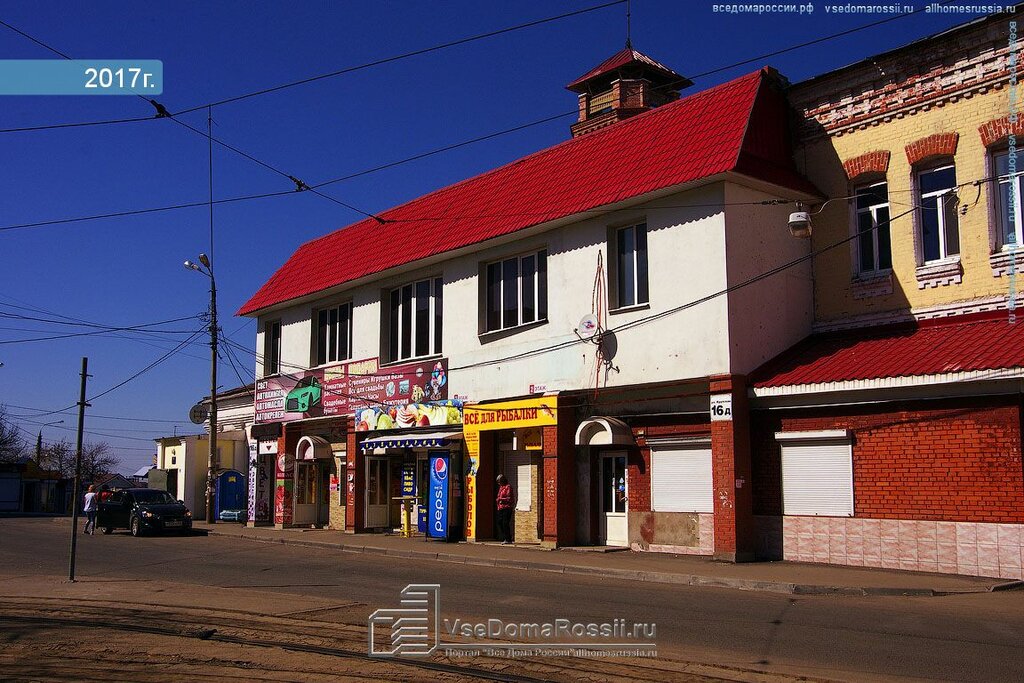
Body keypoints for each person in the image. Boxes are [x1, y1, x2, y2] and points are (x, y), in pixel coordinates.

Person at [495, 474, 514, 545]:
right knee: (500, 522)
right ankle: (505, 537)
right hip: (500, 507)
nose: (499, 483)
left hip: (507, 507)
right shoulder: (501, 487)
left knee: (505, 523)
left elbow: (509, 498)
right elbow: (499, 495)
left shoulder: (508, 487)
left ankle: (508, 539)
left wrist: (501, 499)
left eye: (500, 482)